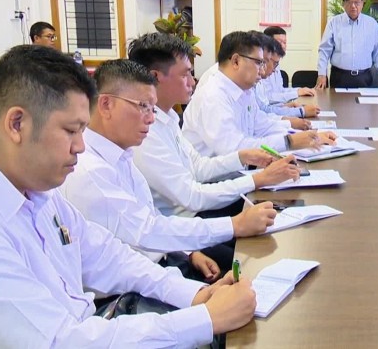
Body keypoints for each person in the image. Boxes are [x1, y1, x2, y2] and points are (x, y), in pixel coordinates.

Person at [0, 45, 256, 347]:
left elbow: (106, 255)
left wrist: (194, 295)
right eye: (71, 131)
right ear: (17, 124)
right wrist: (205, 319)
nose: (81, 146)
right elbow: (59, 341)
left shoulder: (34, 187)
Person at [60, 59, 278, 281]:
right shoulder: (90, 171)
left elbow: (149, 218)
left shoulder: (122, 151)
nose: (150, 118)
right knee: (255, 272)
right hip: (141, 277)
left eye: (152, 108)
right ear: (106, 105)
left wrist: (188, 253)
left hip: (163, 257)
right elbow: (147, 232)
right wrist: (234, 225)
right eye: (143, 106)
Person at [127, 33, 300, 220]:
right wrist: (258, 179)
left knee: (283, 208)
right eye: (185, 74)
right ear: (155, 77)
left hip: (201, 203)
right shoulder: (145, 133)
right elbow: (192, 197)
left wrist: (243, 157)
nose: (192, 82)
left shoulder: (167, 117)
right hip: (187, 220)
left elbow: (198, 167)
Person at [183, 31, 336, 157]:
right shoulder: (213, 95)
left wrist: (307, 135)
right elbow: (235, 149)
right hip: (215, 180)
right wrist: (290, 141)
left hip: (239, 170)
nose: (262, 71)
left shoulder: (244, 89)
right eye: (259, 63)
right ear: (236, 61)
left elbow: (261, 125)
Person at [315, 0, 378, 89]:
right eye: (349, 2)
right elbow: (324, 51)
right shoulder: (333, 23)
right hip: (339, 77)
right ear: (343, 4)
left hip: (364, 77)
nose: (353, 6)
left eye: (357, 2)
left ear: (362, 3)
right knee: (336, 100)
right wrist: (322, 74)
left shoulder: (371, 24)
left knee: (365, 100)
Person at [262, 25, 316, 100]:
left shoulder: (276, 64)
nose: (283, 46)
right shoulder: (263, 65)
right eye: (279, 42)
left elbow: (280, 91)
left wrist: (299, 90)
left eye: (284, 42)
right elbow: (267, 98)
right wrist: (296, 93)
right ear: (268, 44)